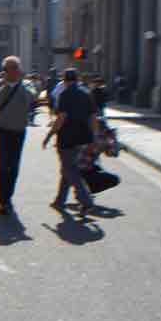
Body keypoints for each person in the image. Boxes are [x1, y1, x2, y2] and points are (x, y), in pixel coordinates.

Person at [43, 68, 98, 214]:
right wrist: (95, 137)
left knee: (70, 169)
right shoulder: (87, 93)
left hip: (67, 137)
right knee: (68, 167)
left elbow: (61, 118)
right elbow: (93, 117)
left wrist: (49, 135)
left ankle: (86, 201)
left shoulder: (65, 95)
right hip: (83, 137)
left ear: (65, 80)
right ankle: (60, 200)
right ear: (77, 79)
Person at [0, 56, 36, 216]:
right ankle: (3, 200)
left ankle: (8, 197)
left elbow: (30, 99)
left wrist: (20, 84)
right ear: (5, 71)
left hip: (19, 130)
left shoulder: (26, 85)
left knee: (14, 167)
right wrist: (5, 86)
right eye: (12, 68)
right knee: (3, 166)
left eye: (17, 67)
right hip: (2, 130)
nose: (16, 70)